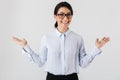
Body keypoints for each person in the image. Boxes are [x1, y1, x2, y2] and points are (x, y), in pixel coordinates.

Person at [12, 1, 110, 80]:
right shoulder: (47, 38)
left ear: (72, 16)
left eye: (68, 15)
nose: (65, 18)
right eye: (61, 15)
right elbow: (40, 62)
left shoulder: (77, 38)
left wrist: (96, 48)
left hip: (72, 78)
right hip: (52, 78)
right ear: (55, 16)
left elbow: (83, 63)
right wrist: (25, 46)